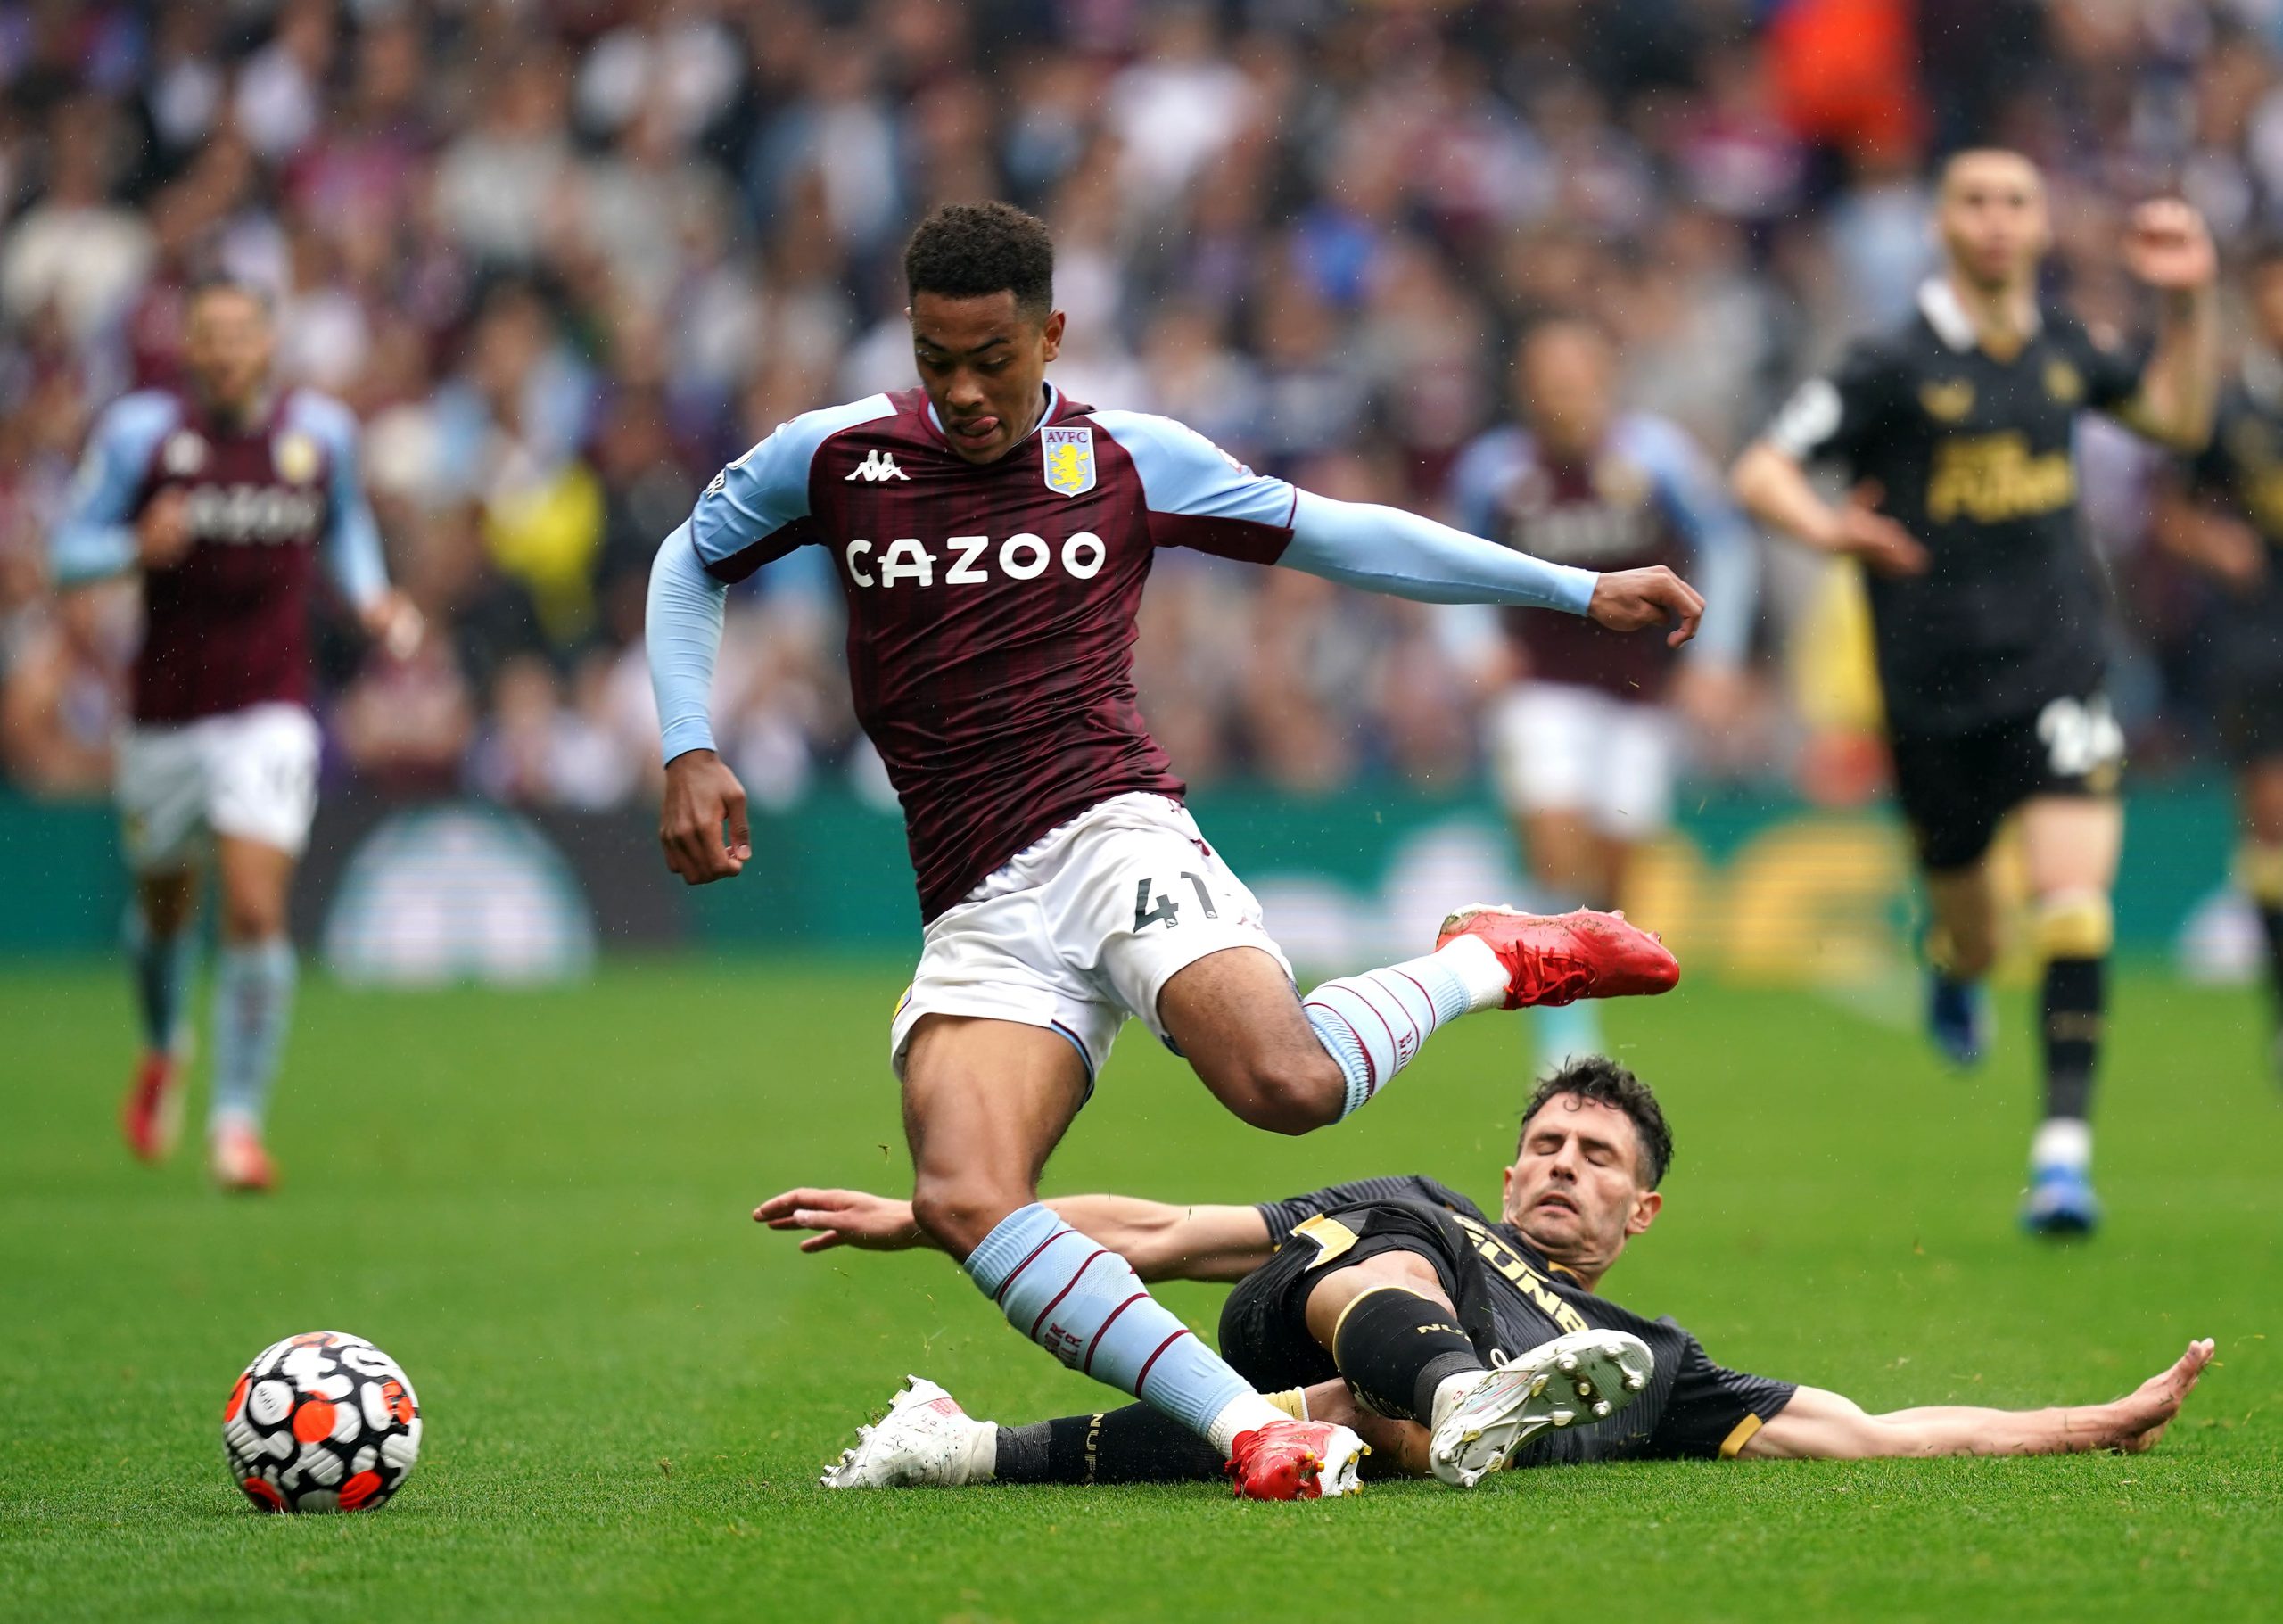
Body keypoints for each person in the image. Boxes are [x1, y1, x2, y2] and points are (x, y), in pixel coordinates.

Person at [646, 202, 1701, 1499]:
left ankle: (1485, 958)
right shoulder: (835, 457)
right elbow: (690, 557)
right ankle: (1253, 1430)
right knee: (973, 1197)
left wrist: (1573, 588)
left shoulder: (1128, 459)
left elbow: (1341, 533)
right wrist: (689, 741)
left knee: (1287, 1088)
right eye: (937, 361)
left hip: (1109, 825)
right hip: (973, 896)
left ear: (1053, 334)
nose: (965, 393)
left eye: (993, 359)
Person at [761, 1057, 2218, 1492]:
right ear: (1517, 1163)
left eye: (1597, 1155)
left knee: (1352, 1420)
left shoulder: (1654, 1354)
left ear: (1640, 1210)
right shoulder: (1426, 1196)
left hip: (1329, 1415)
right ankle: (1465, 1393)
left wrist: (2091, 1420)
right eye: (1549, 1142)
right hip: (1295, 1323)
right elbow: (1149, 1233)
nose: (1564, 1164)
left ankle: (957, 1454)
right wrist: (939, 1214)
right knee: (1402, 1251)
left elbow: (1879, 1432)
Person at [1731, 152, 2219, 1234]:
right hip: (1932, 691)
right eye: (1975, 203)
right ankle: (1952, 963)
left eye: (2015, 204)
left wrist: (2185, 302)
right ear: (1942, 226)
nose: (1997, 223)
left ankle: (2060, 1154)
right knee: (1977, 934)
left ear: (2042, 228)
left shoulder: (2065, 347)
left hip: (2059, 666)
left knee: (2071, 901)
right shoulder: (1890, 364)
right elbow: (1760, 467)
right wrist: (1826, 529)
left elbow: (2178, 420)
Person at [50, 279, 420, 1191]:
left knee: (254, 905)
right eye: (205, 337)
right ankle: (163, 1042)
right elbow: (67, 554)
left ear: (267, 343)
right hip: (167, 713)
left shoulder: (319, 434)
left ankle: (236, 1125)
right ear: (187, 348)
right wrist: (134, 545)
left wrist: (370, 596)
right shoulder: (143, 435)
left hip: (270, 705)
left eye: (238, 335)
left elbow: (344, 525)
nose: (221, 352)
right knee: (166, 908)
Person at [1446, 318, 1759, 1076]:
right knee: (1556, 840)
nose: (1565, 395)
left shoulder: (1656, 460)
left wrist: (1717, 658)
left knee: (1615, 875)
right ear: (1528, 388)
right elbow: (1448, 562)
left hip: (1640, 691)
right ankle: (1563, 1044)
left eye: (1577, 378)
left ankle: (1566, 995)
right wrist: (1476, 648)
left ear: (1605, 381)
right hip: (1541, 688)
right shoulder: (1495, 470)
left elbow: (1726, 545)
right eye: (1551, 379)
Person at [2151, 239, 2283, 1075]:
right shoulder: (2228, 411)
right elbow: (2167, 510)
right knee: (2272, 821)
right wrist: (2212, 539)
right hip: (2259, 638)